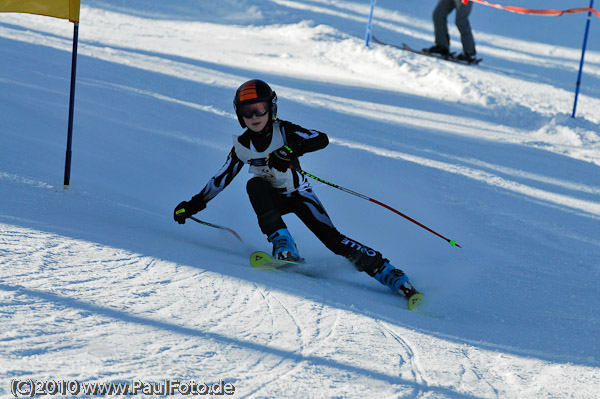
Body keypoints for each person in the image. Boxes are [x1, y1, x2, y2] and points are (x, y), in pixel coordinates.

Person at [173, 79, 421, 302]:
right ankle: (284, 244)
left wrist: (290, 150)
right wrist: (193, 205)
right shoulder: (242, 146)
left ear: (271, 107)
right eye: (247, 111)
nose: (254, 116)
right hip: (271, 198)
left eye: (260, 108)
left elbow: (320, 138)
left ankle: (390, 273)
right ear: (239, 115)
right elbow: (220, 179)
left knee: (334, 241)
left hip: (300, 195)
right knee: (254, 184)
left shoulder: (284, 130)